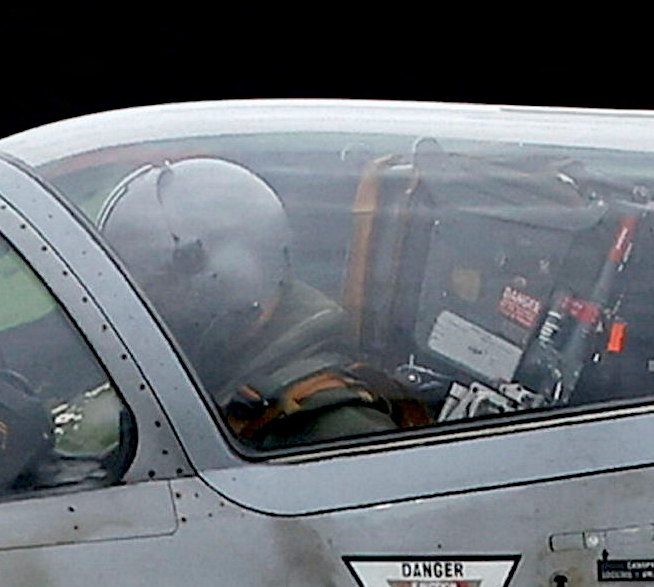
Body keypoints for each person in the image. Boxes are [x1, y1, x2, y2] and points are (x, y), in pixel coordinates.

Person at [95, 156, 419, 449]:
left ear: (233, 275)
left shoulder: (335, 428)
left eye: (165, 290)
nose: (156, 309)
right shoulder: (225, 374)